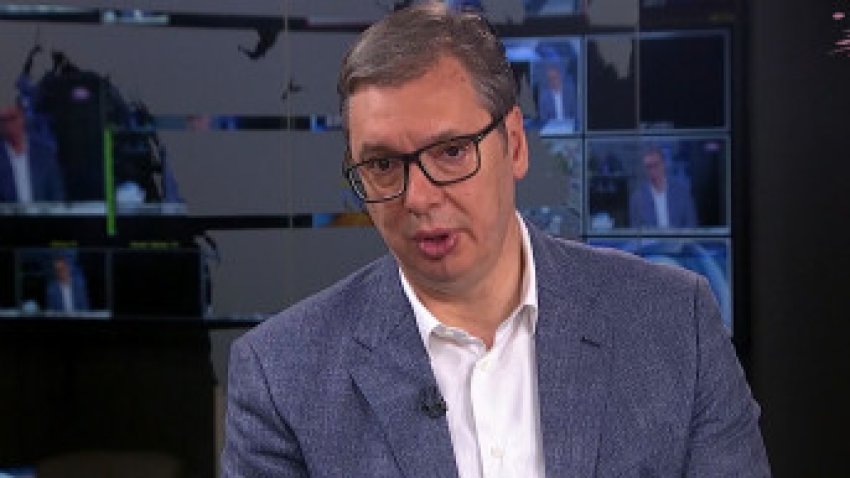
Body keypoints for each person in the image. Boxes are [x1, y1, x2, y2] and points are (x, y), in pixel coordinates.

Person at [221, 3, 770, 477]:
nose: (418, 198)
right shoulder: (281, 375)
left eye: (450, 152)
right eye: (383, 165)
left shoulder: (674, 324)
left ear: (514, 144)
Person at [0, 103, 65, 203]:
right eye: (3, 120)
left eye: (12, 118)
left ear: (23, 119)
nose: (8, 125)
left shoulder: (44, 153)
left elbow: (56, 192)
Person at [628, 145, 699, 229]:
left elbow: (691, 225)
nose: (652, 170)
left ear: (664, 164)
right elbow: (636, 231)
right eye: (648, 167)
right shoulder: (637, 198)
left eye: (656, 165)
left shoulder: (682, 193)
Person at [535, 63, 577, 132]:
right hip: (552, 130)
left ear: (560, 77)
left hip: (569, 128)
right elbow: (543, 119)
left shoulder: (570, 93)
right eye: (550, 79)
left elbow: (575, 114)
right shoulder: (544, 96)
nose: (552, 81)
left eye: (554, 78)